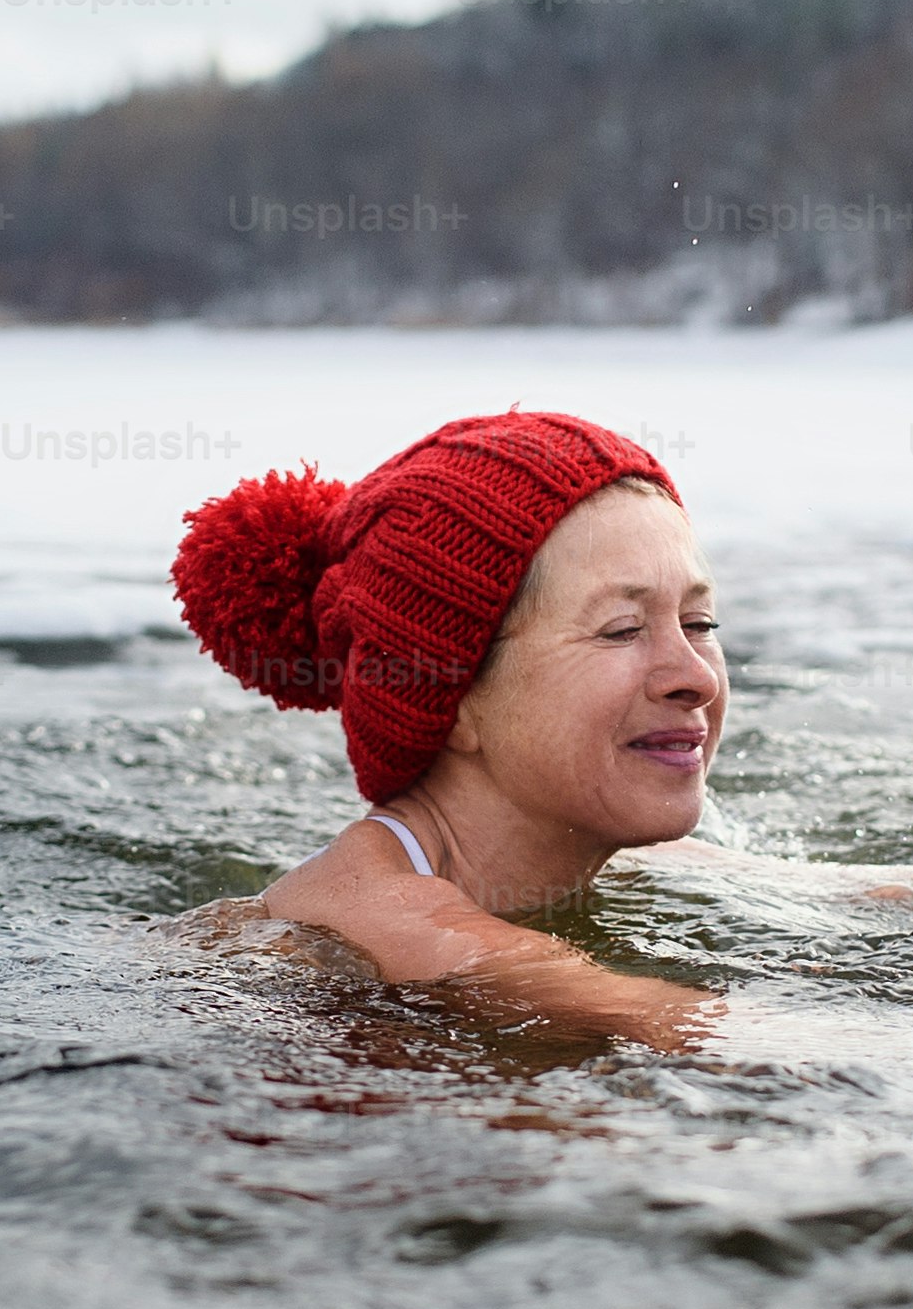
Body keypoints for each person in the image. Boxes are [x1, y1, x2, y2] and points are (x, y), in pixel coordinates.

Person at [176, 411, 729, 1049]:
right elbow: (731, 1040)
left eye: (700, 623)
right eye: (622, 630)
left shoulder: (615, 855)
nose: (698, 677)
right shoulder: (390, 921)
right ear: (455, 695)